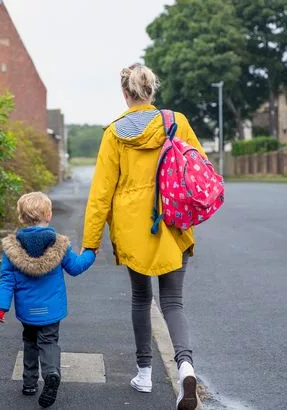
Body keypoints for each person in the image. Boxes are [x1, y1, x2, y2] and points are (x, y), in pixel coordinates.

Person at [82, 64, 204, 410]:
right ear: (151, 91)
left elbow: (101, 193)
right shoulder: (176, 122)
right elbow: (199, 166)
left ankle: (145, 373)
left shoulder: (114, 133)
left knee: (140, 299)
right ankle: (185, 367)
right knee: (173, 302)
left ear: (125, 94)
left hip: (134, 229)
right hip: (174, 224)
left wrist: (90, 243)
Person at [0, 192, 96, 408]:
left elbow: (6, 280)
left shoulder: (12, 249)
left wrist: (1, 307)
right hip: (51, 310)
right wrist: (91, 253)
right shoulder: (59, 245)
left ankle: (29, 384)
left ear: (21, 218)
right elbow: (76, 268)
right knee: (48, 342)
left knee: (30, 342)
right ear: (48, 215)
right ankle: (51, 372)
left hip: (27, 310)